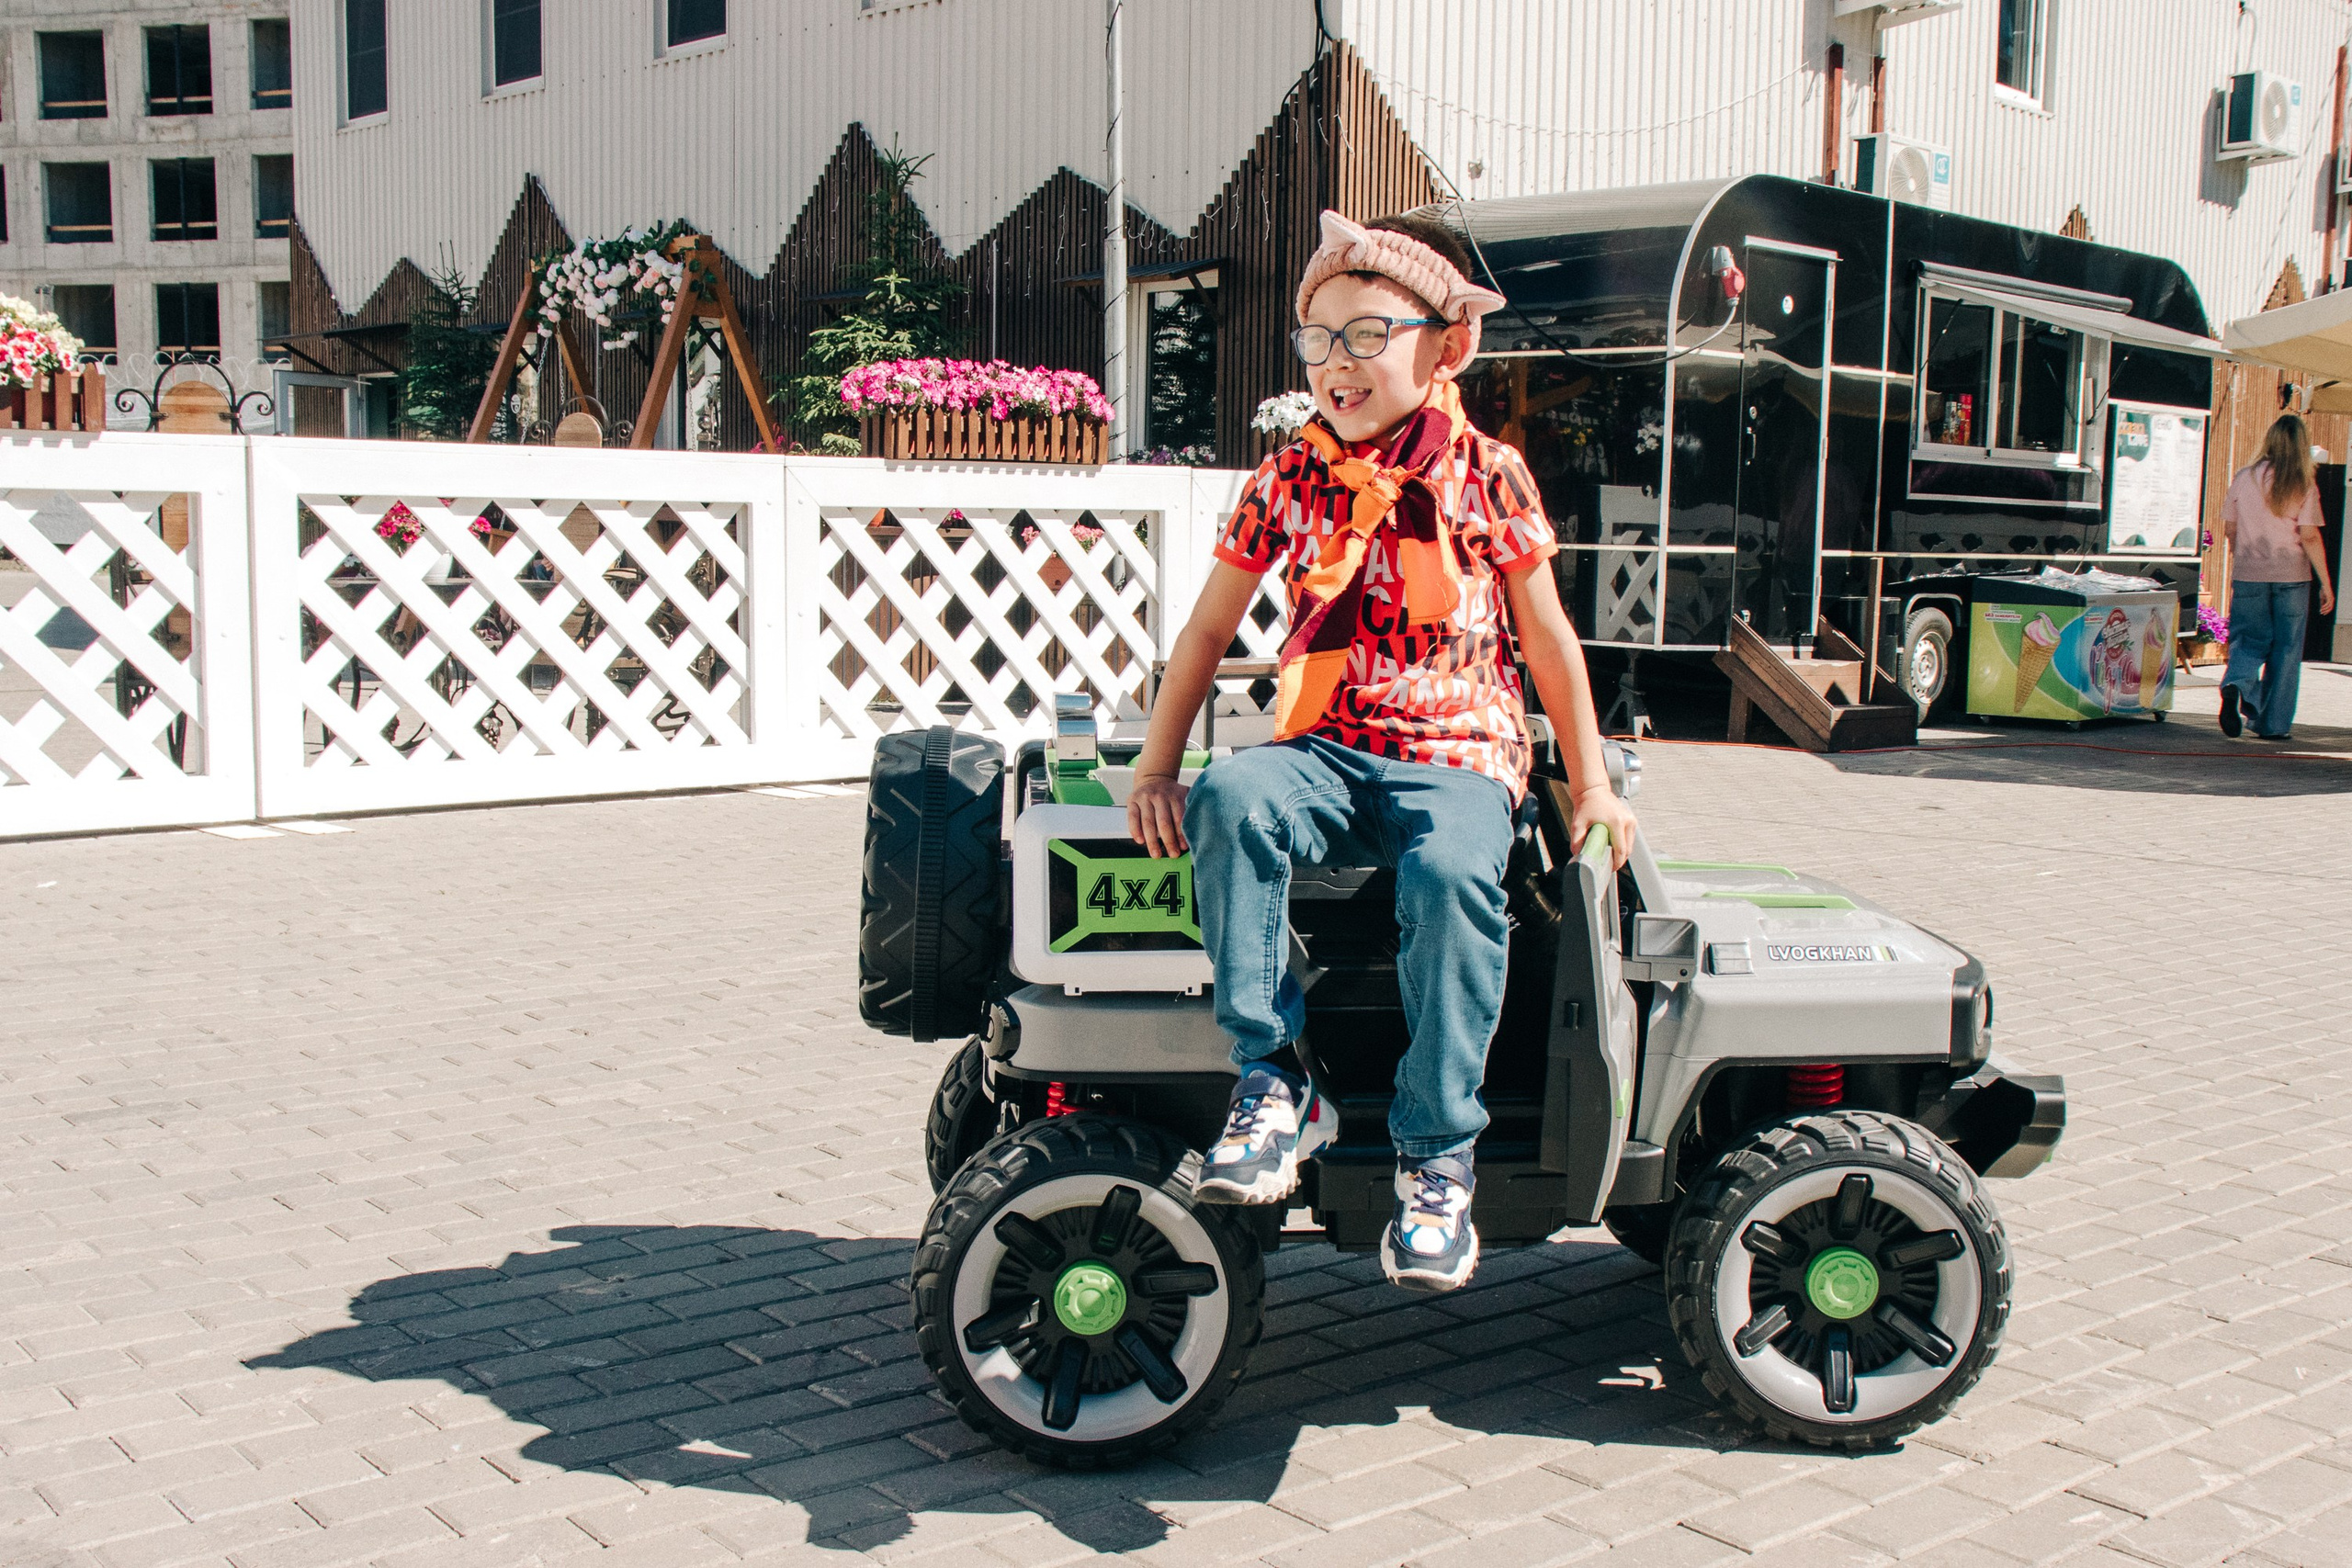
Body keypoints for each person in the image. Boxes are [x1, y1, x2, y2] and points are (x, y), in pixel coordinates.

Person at [1123, 210, 1638, 1293]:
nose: (1336, 365)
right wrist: (1157, 766)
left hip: (1457, 752)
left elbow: (1546, 637)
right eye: (1316, 340)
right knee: (1233, 800)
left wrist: (1589, 783)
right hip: (1326, 743)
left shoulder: (1485, 473)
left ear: (1445, 345)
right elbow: (1208, 631)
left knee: (1455, 873)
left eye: (1367, 335)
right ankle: (1272, 1080)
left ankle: (1436, 1156)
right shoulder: (1285, 481)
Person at [2219, 413, 2336, 740]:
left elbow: (2230, 528)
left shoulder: (2244, 477)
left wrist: (2242, 557)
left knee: (2248, 639)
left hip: (2249, 575)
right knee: (2286, 649)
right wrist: (2325, 582)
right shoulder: (2303, 483)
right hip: (2292, 577)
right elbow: (2310, 536)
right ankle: (2272, 724)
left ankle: (2235, 684)